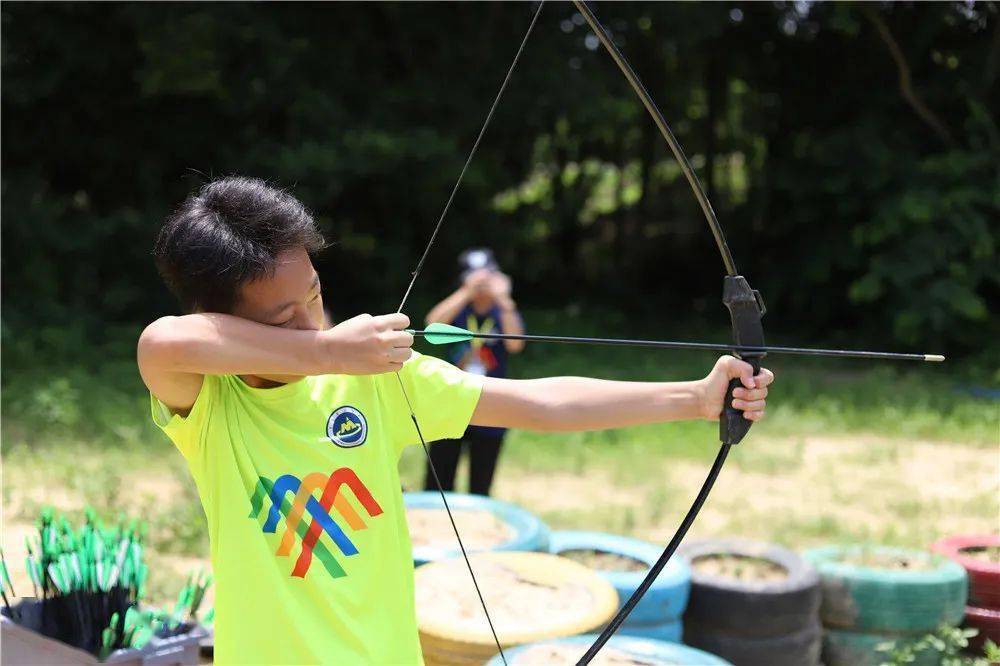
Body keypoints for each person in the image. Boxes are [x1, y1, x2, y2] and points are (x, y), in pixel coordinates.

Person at [137, 176, 774, 665]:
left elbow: (537, 403)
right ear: (221, 316)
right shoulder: (214, 403)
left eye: (316, 298)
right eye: (282, 321)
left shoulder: (378, 380)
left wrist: (694, 398)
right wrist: (325, 352)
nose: (313, 320)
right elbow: (163, 342)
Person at [422, 248, 524, 495]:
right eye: (475, 278)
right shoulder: (459, 308)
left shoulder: (503, 311)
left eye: (486, 278)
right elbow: (430, 325)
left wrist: (504, 300)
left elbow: (515, 344)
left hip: (491, 402)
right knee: (438, 483)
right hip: (451, 400)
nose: (481, 285)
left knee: (481, 484)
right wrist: (465, 293)